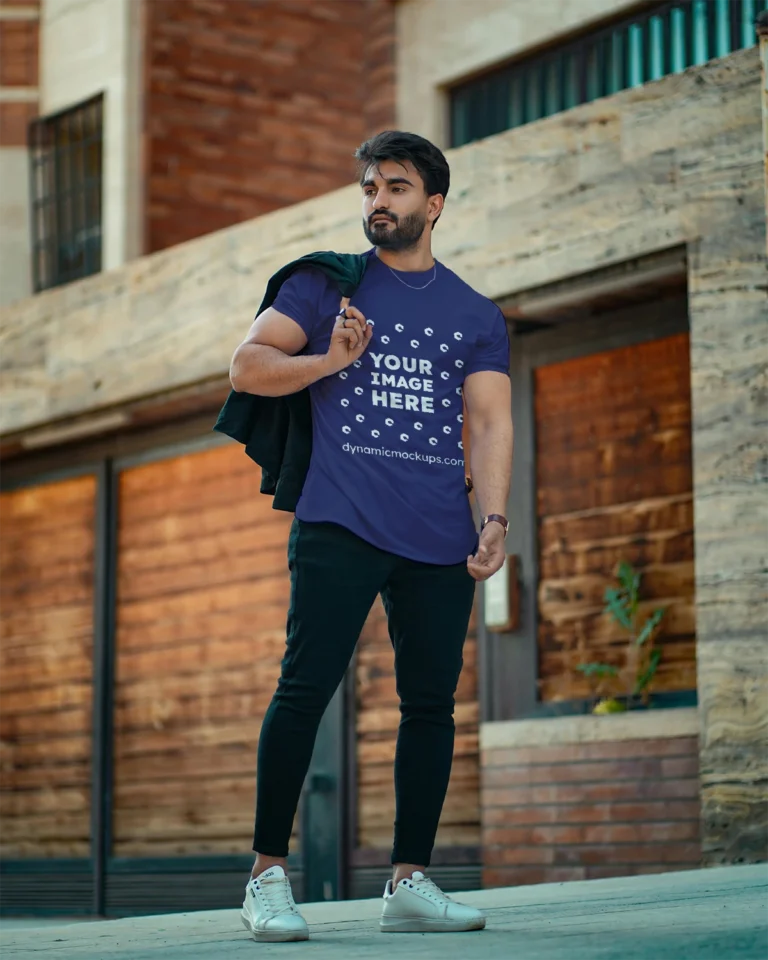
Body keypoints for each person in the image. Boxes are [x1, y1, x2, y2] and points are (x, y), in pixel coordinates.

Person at [230, 131, 513, 942]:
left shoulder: (474, 314)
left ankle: (409, 882)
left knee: (430, 706)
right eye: (368, 187)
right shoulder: (327, 286)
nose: (376, 201)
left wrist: (493, 518)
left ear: (434, 204)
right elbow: (246, 366)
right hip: (340, 518)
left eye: (395, 186)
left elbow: (490, 421)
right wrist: (328, 359)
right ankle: (266, 877)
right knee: (305, 689)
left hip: (436, 531)